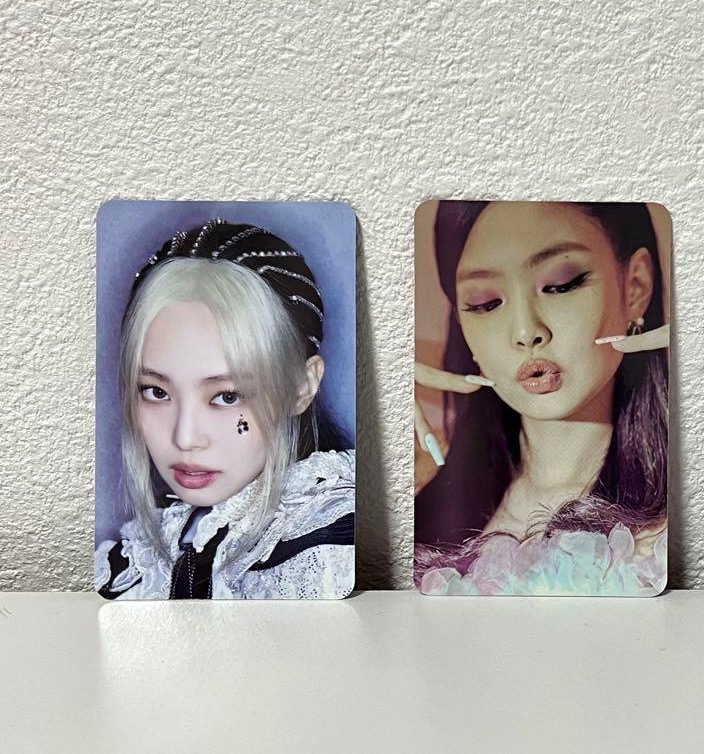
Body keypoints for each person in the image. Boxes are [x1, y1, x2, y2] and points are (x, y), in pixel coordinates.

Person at [413, 200, 669, 595]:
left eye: (561, 285)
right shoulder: (425, 506)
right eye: (485, 303)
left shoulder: (687, 511)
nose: (525, 331)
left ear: (635, 286)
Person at [95, 219, 355, 599]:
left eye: (227, 396)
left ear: (302, 386)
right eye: (156, 391)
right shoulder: (136, 562)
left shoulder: (329, 548)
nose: (185, 438)